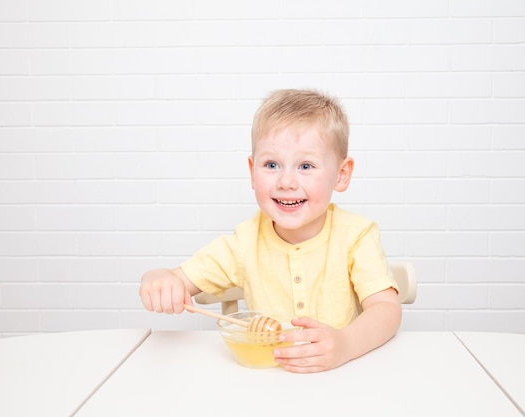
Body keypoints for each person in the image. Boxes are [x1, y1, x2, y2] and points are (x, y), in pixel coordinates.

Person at [139, 89, 402, 373]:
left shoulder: (356, 236)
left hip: (343, 375)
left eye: (305, 165)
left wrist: (346, 344)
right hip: (266, 379)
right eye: (272, 164)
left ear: (341, 174)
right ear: (253, 172)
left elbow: (386, 310)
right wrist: (159, 279)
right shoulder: (245, 242)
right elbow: (178, 279)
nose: (286, 181)